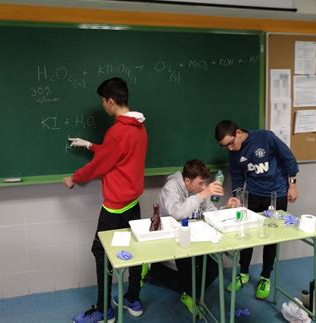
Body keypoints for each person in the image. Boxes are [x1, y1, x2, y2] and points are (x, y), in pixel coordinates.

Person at [64, 77, 147, 323]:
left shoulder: (117, 131)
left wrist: (74, 178)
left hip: (115, 206)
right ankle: (133, 298)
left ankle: (104, 310)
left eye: (102, 101)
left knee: (100, 252)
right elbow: (115, 155)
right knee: (134, 251)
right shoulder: (138, 127)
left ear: (111, 101)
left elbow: (100, 165)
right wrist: (90, 144)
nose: (102, 106)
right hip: (133, 202)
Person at [214, 120, 299, 300]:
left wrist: (292, 185)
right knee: (246, 234)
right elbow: (237, 176)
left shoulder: (265, 137)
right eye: (225, 146)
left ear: (238, 133)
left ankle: (265, 277)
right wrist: (237, 195)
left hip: (277, 194)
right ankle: (243, 273)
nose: (230, 148)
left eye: (231, 143)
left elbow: (288, 158)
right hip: (252, 195)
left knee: (272, 237)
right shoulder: (234, 153)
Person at [147, 159, 239, 314]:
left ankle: (181, 287)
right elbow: (177, 212)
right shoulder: (171, 187)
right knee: (189, 268)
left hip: (196, 234)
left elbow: (209, 211)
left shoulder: (200, 190)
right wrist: (203, 194)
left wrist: (225, 209)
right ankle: (173, 283)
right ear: (187, 181)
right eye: (200, 183)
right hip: (173, 235)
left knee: (214, 267)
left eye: (205, 184)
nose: (203, 187)